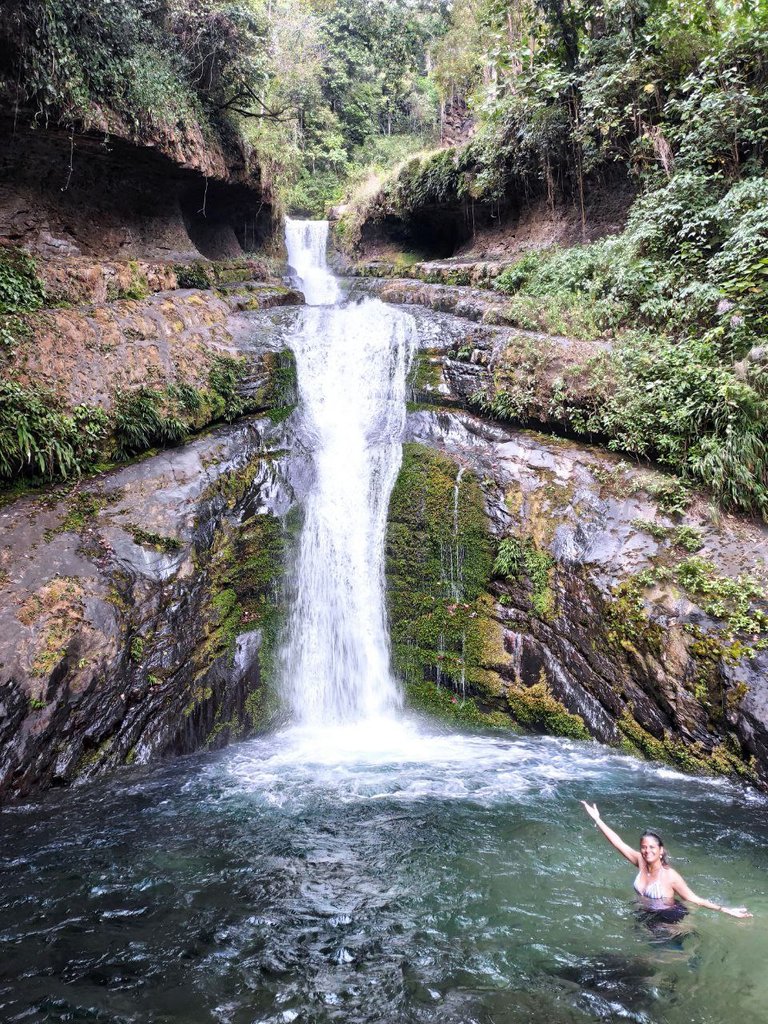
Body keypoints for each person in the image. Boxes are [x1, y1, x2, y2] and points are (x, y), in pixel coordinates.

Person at [581, 802, 752, 920]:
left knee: (664, 958)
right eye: (644, 847)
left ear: (661, 851)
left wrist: (726, 910)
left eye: (652, 847)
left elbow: (694, 898)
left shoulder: (670, 876)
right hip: (646, 916)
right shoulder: (640, 861)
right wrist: (598, 820)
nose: (647, 851)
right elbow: (618, 843)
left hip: (669, 919)